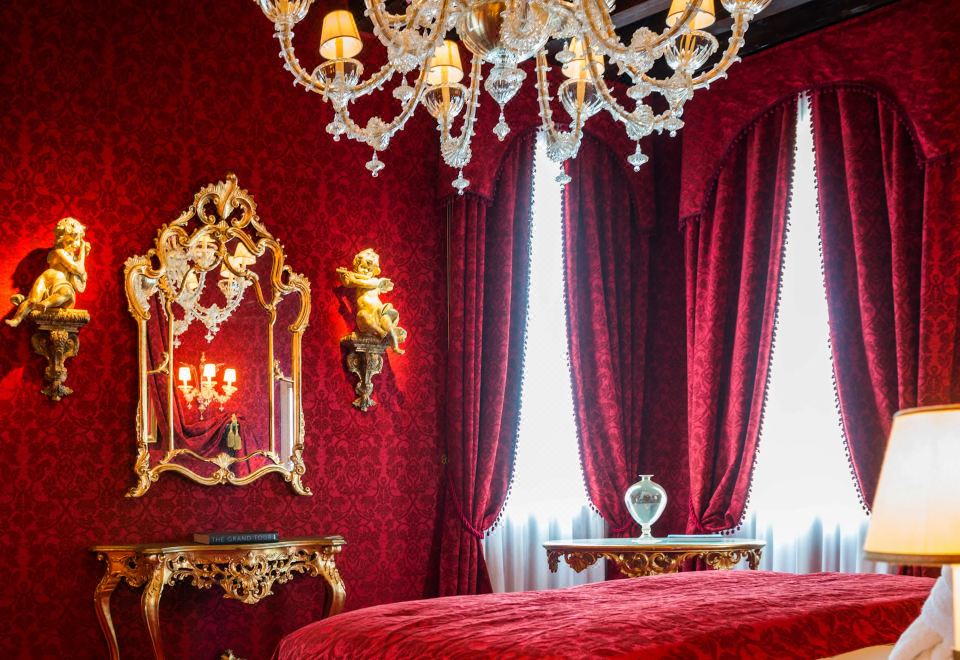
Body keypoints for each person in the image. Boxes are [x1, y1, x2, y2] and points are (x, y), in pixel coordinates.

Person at [7, 217, 90, 327]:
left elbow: (81, 272)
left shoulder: (73, 257)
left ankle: (45, 304)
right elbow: (77, 269)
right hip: (45, 279)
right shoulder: (58, 252)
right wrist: (82, 252)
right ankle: (17, 319)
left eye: (78, 241)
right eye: (69, 241)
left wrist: (83, 253)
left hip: (62, 284)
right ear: (60, 240)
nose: (74, 244)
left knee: (67, 293)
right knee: (32, 300)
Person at [337, 248, 407, 354]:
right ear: (356, 267)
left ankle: (395, 347)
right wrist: (343, 276)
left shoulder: (374, 281)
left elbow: (361, 283)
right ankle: (380, 332)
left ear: (374, 271)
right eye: (363, 267)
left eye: (369, 269)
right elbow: (347, 283)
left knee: (388, 325)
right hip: (367, 314)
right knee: (362, 315)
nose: (365, 271)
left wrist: (353, 278)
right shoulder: (357, 280)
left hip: (379, 311)